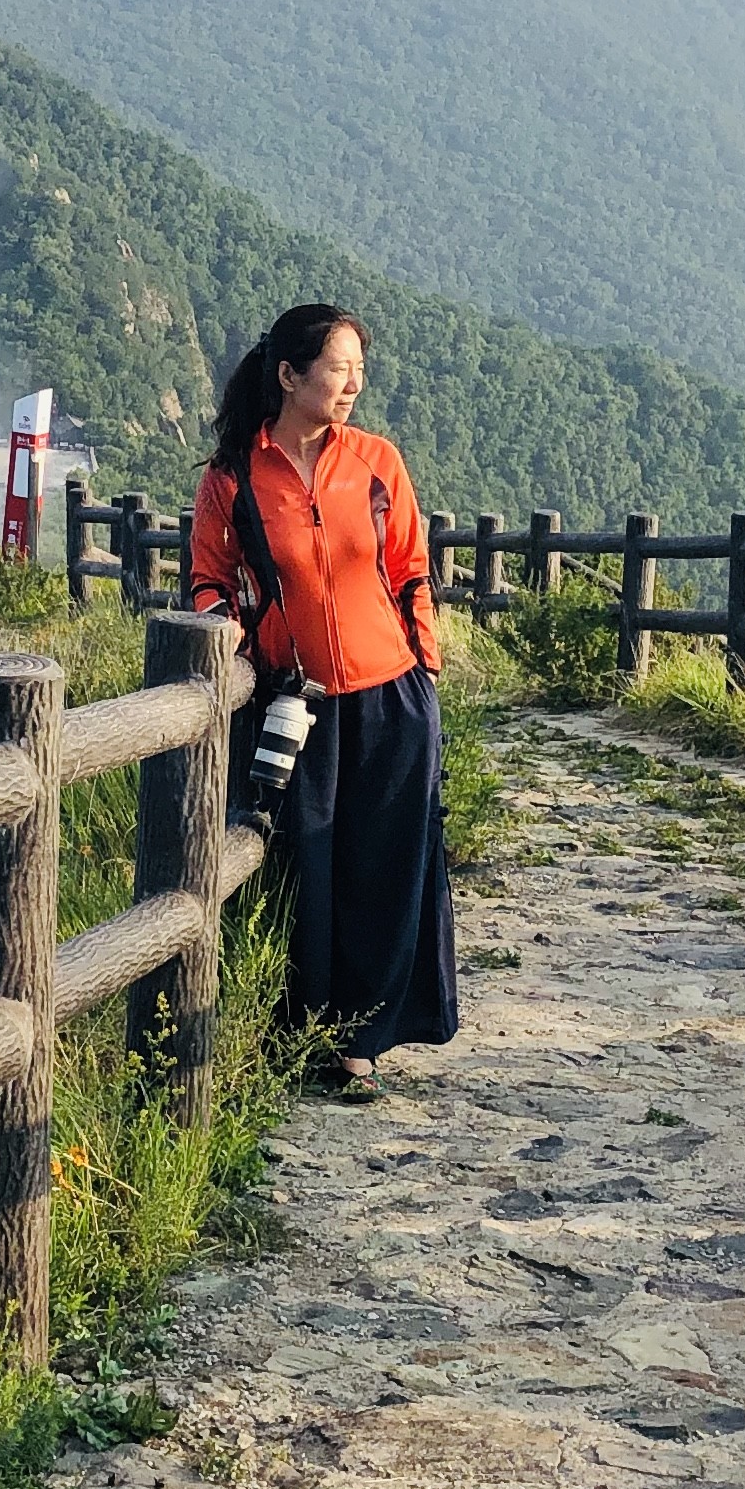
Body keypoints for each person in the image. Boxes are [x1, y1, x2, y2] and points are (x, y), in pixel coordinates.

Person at [185, 303, 459, 1090]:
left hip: (391, 695)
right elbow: (209, 578)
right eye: (339, 368)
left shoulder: (377, 460)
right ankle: (299, 1032)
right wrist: (224, 630)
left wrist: (426, 668)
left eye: (359, 370)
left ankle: (361, 1045)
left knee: (383, 867)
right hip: (295, 703)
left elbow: (410, 569)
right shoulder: (233, 477)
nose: (353, 384)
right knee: (307, 870)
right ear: (289, 375)